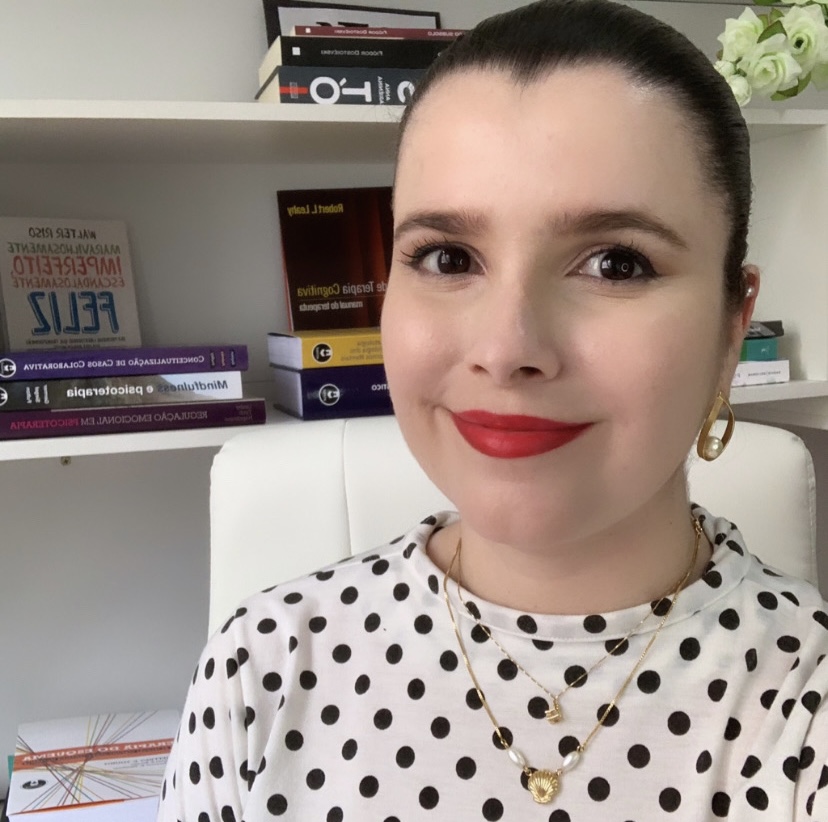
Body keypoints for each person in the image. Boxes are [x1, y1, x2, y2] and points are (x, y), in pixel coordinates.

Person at [157, 1, 828, 819]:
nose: (507, 347)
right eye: (448, 257)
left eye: (616, 264)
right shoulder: (259, 674)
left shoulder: (807, 701)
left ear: (732, 325)